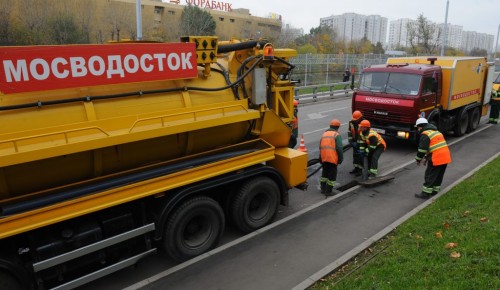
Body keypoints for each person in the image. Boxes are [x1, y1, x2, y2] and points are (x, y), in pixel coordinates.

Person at [414, 117, 452, 199]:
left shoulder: (425, 134)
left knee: (430, 175)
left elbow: (422, 150)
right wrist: (426, 158)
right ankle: (435, 190)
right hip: (445, 156)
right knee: (438, 175)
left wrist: (418, 159)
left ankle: (426, 193)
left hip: (436, 157)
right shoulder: (436, 132)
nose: (417, 129)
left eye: (417, 127)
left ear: (420, 126)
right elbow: (433, 147)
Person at [319, 119, 344, 196]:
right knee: (332, 175)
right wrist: (340, 159)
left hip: (324, 158)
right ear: (338, 127)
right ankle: (329, 191)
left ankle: (323, 189)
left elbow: (320, 147)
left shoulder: (324, 134)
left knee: (324, 173)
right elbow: (339, 148)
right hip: (332, 159)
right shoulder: (336, 135)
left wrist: (320, 157)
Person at [348, 110, 365, 176]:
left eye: (356, 119)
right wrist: (351, 141)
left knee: (360, 156)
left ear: (360, 118)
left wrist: (358, 143)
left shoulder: (364, 123)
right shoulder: (351, 123)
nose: (355, 121)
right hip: (355, 141)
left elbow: (363, 134)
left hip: (362, 142)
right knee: (355, 155)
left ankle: (360, 170)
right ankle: (356, 168)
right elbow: (349, 132)